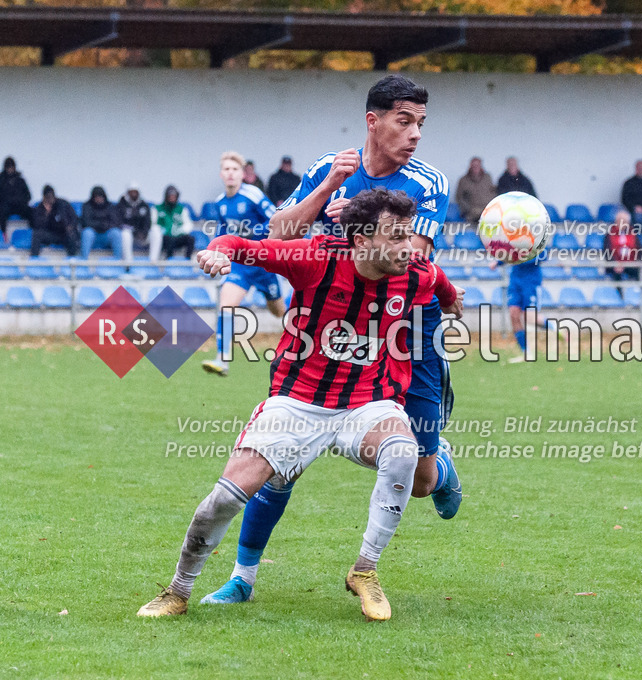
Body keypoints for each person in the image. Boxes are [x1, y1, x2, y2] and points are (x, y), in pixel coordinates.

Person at [136, 188, 463, 621]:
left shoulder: (415, 271)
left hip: (368, 403)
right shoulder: (315, 259)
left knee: (402, 451)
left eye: (409, 235)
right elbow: (240, 245)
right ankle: (177, 592)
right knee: (224, 499)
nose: (408, 247)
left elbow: (441, 285)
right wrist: (217, 253)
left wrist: (452, 300)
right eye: (397, 236)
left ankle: (365, 571)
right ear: (362, 241)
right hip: (297, 403)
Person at [199, 75, 462, 607]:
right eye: (405, 121)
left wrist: (355, 224)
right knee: (278, 456)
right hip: (327, 325)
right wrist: (324, 192)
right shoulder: (330, 167)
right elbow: (279, 232)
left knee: (419, 477)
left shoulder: (429, 180)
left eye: (421, 124)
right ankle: (243, 578)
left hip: (407, 326)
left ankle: (441, 468)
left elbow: (414, 255)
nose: (415, 134)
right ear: (374, 120)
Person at [200, 153, 287, 377]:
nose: (230, 173)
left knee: (279, 312)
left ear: (242, 174)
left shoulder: (253, 195)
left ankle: (297, 349)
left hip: (264, 262)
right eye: (226, 169)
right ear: (221, 174)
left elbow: (276, 221)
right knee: (226, 305)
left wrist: (261, 239)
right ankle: (222, 360)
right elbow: (222, 233)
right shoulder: (220, 203)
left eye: (234, 169)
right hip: (240, 265)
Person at [0, 156, 32, 235]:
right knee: (1, 211)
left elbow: (28, 196)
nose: (10, 169)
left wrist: (20, 199)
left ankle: (31, 233)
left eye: (11, 167)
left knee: (31, 212)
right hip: (5, 206)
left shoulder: (20, 180)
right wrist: (2, 198)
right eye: (8, 167)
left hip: (19, 206)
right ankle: (3, 235)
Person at [29, 185, 79, 257]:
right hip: (51, 234)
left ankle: (73, 260)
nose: (50, 199)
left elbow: (74, 218)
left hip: (65, 233)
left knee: (72, 235)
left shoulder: (63, 204)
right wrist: (47, 214)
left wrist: (70, 227)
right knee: (37, 234)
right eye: (47, 197)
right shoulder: (40, 208)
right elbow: (37, 225)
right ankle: (34, 258)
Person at [153, 185, 196, 260]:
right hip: (164, 238)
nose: (172, 198)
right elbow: (153, 224)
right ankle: (168, 260)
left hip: (177, 237)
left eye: (174, 196)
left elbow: (188, 224)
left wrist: (180, 230)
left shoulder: (181, 210)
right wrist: (162, 230)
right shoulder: (157, 209)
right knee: (169, 239)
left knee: (190, 239)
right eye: (170, 196)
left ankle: (187, 260)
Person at [80, 186, 123, 259]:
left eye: (100, 197)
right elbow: (86, 222)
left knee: (116, 233)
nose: (99, 199)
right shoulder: (87, 206)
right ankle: (84, 261)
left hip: (106, 235)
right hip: (93, 235)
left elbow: (115, 222)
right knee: (87, 232)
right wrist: (99, 224)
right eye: (96, 197)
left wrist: (105, 226)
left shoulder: (110, 206)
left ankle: (118, 261)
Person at [117, 182, 155, 262]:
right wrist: (134, 231)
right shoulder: (121, 205)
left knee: (156, 231)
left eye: (135, 191)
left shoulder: (144, 205)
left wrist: (144, 232)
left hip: (143, 236)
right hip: (129, 235)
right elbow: (119, 222)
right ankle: (128, 262)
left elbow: (148, 222)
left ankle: (153, 261)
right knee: (125, 234)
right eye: (131, 192)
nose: (133, 194)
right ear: (127, 192)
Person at [606, 209, 641, 288]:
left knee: (637, 271)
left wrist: (638, 261)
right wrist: (615, 263)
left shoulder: (633, 233)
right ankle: (619, 296)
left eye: (624, 221)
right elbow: (607, 252)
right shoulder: (609, 234)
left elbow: (640, 250)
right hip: (615, 264)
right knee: (617, 273)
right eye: (619, 221)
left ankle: (638, 293)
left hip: (631, 263)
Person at [455, 156, 497, 223]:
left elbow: (493, 192)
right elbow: (459, 197)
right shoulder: (463, 180)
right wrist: (467, 209)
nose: (475, 167)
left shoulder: (487, 178)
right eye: (473, 165)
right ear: (470, 166)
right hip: (472, 212)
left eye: (477, 165)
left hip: (487, 210)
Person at [620, 160, 642, 227]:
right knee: (638, 217)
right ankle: (639, 237)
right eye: (639, 168)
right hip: (634, 211)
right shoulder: (628, 183)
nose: (641, 169)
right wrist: (634, 207)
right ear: (636, 168)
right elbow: (624, 199)